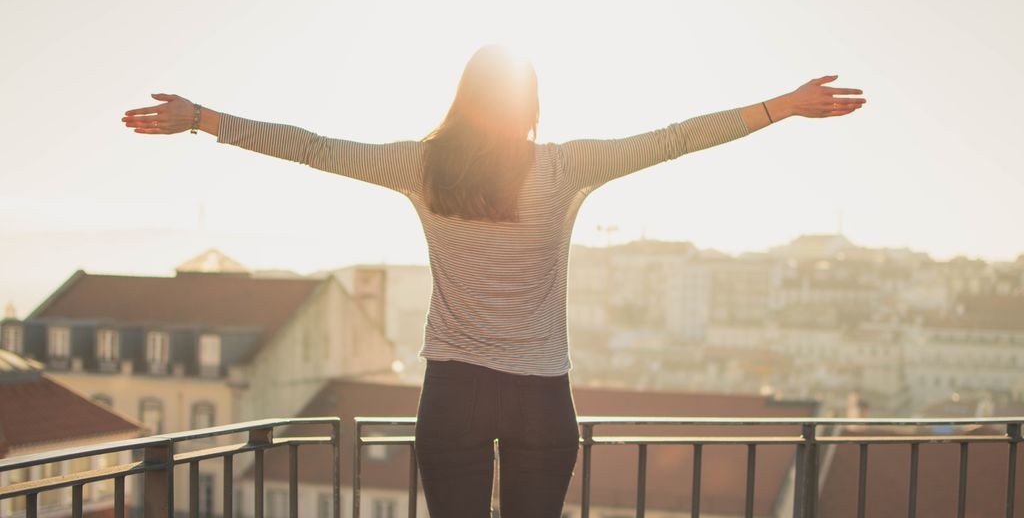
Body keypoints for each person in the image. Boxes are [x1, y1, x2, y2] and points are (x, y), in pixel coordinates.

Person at [122, 44, 865, 517]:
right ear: (531, 105)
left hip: (452, 393)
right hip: (542, 394)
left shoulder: (421, 165)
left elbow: (315, 149)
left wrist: (203, 119)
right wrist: (781, 108)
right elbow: (672, 141)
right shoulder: (564, 166)